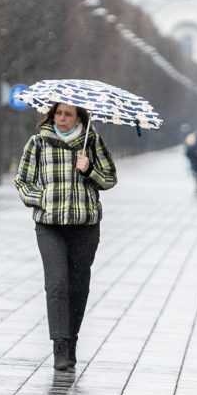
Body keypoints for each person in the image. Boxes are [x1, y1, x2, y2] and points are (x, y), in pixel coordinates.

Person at [15, 103, 117, 371]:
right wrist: (42, 199)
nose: (62, 119)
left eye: (68, 114)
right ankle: (60, 345)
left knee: (78, 286)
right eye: (58, 114)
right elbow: (22, 181)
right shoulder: (38, 143)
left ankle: (72, 340)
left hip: (85, 226)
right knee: (57, 284)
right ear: (51, 116)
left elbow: (110, 179)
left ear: (78, 118)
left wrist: (89, 170)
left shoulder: (92, 142)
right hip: (50, 226)